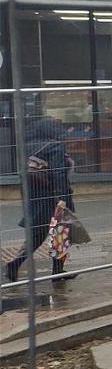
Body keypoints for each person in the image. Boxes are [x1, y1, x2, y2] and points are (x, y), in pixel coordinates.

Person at [6, 116, 75, 285]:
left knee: (37, 234)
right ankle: (55, 270)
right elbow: (58, 173)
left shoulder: (28, 145)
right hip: (53, 197)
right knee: (61, 232)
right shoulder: (55, 146)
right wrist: (63, 199)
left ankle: (16, 264)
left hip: (34, 196)